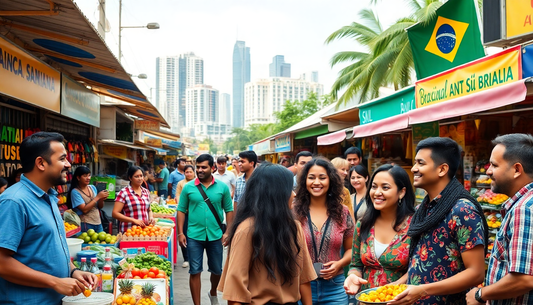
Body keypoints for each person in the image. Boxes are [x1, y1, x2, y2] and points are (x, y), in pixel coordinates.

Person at [0, 132, 97, 304]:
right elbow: (2, 263)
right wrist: (55, 282)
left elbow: (47, 252)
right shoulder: (14, 201)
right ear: (41, 163)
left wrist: (73, 271)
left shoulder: (49, 197)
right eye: (62, 159)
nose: (68, 164)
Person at [390, 137, 488, 305]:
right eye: (415, 163)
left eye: (421, 163)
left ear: (442, 169)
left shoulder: (462, 210)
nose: (414, 169)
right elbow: (422, 261)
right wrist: (398, 285)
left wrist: (422, 290)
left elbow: (476, 273)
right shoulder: (425, 207)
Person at [218, 163, 316, 305]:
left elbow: (304, 279)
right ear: (275, 193)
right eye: (289, 189)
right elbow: (235, 294)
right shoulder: (247, 230)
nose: (294, 194)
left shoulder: (294, 227)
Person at [465, 134, 533, 305]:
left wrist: (481, 294)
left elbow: (524, 279)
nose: (488, 171)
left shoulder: (522, 209)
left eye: (494, 165)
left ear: (517, 169)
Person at [344, 164, 415, 295]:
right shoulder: (363, 224)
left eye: (385, 187)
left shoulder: (415, 225)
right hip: (368, 299)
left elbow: (420, 267)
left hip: (402, 299)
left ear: (401, 192)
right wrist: (353, 276)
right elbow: (355, 264)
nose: (377, 193)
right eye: (374, 186)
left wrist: (396, 285)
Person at [293, 158, 354, 305]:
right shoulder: (293, 212)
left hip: (335, 287)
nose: (316, 182)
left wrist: (339, 264)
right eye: (311, 178)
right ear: (304, 181)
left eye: (322, 178)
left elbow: (352, 250)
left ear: (331, 180)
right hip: (300, 285)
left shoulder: (343, 212)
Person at [177, 154, 234, 305]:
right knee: (195, 270)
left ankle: (213, 292)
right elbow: (181, 210)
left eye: (204, 167)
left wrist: (228, 232)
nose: (200, 170)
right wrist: (180, 232)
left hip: (216, 235)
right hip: (194, 235)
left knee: (217, 270)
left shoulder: (222, 187)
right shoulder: (188, 187)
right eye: (198, 167)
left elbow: (229, 210)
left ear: (212, 168)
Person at [112, 166, 155, 233]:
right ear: (130, 178)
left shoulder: (146, 192)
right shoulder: (124, 193)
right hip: (129, 232)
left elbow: (149, 210)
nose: (140, 178)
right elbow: (115, 213)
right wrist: (134, 220)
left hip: (144, 232)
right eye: (136, 176)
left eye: (141, 176)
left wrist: (151, 217)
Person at [67, 166, 109, 233]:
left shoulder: (92, 187)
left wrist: (101, 199)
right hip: (86, 223)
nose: (88, 178)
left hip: (98, 222)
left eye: (89, 175)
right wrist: (98, 197)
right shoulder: (75, 192)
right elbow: (84, 210)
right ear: (78, 178)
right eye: (85, 176)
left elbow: (99, 207)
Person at [175, 164, 195, 268]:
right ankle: (186, 258)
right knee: (183, 234)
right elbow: (177, 195)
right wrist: (180, 205)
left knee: (193, 235)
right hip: (185, 213)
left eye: (190, 172)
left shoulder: (198, 183)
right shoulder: (181, 184)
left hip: (195, 214)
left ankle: (194, 256)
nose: (189, 174)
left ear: (194, 172)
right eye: (187, 172)